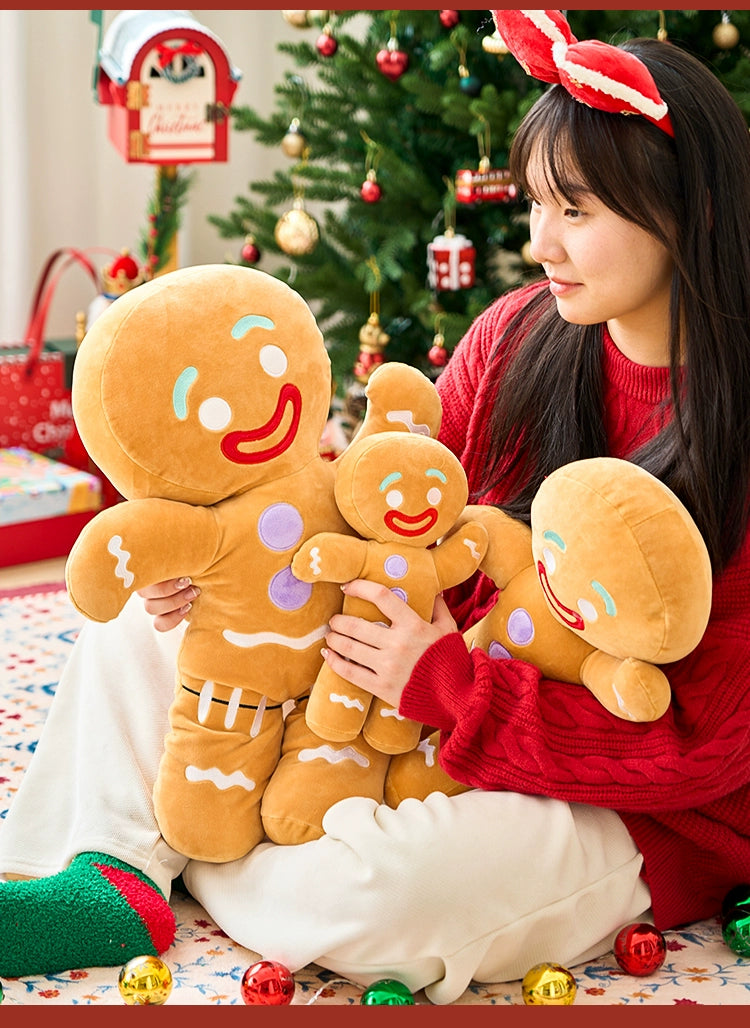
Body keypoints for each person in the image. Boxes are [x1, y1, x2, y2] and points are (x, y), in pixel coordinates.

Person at [1, 10, 750, 1005]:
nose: (538, 242)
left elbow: (707, 744)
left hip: (634, 801)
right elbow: (391, 507)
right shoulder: (519, 333)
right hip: (422, 699)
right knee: (147, 615)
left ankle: (207, 851)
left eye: (575, 211)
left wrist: (450, 687)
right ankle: (114, 873)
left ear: (687, 208)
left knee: (382, 891)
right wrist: (235, 570)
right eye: (535, 204)